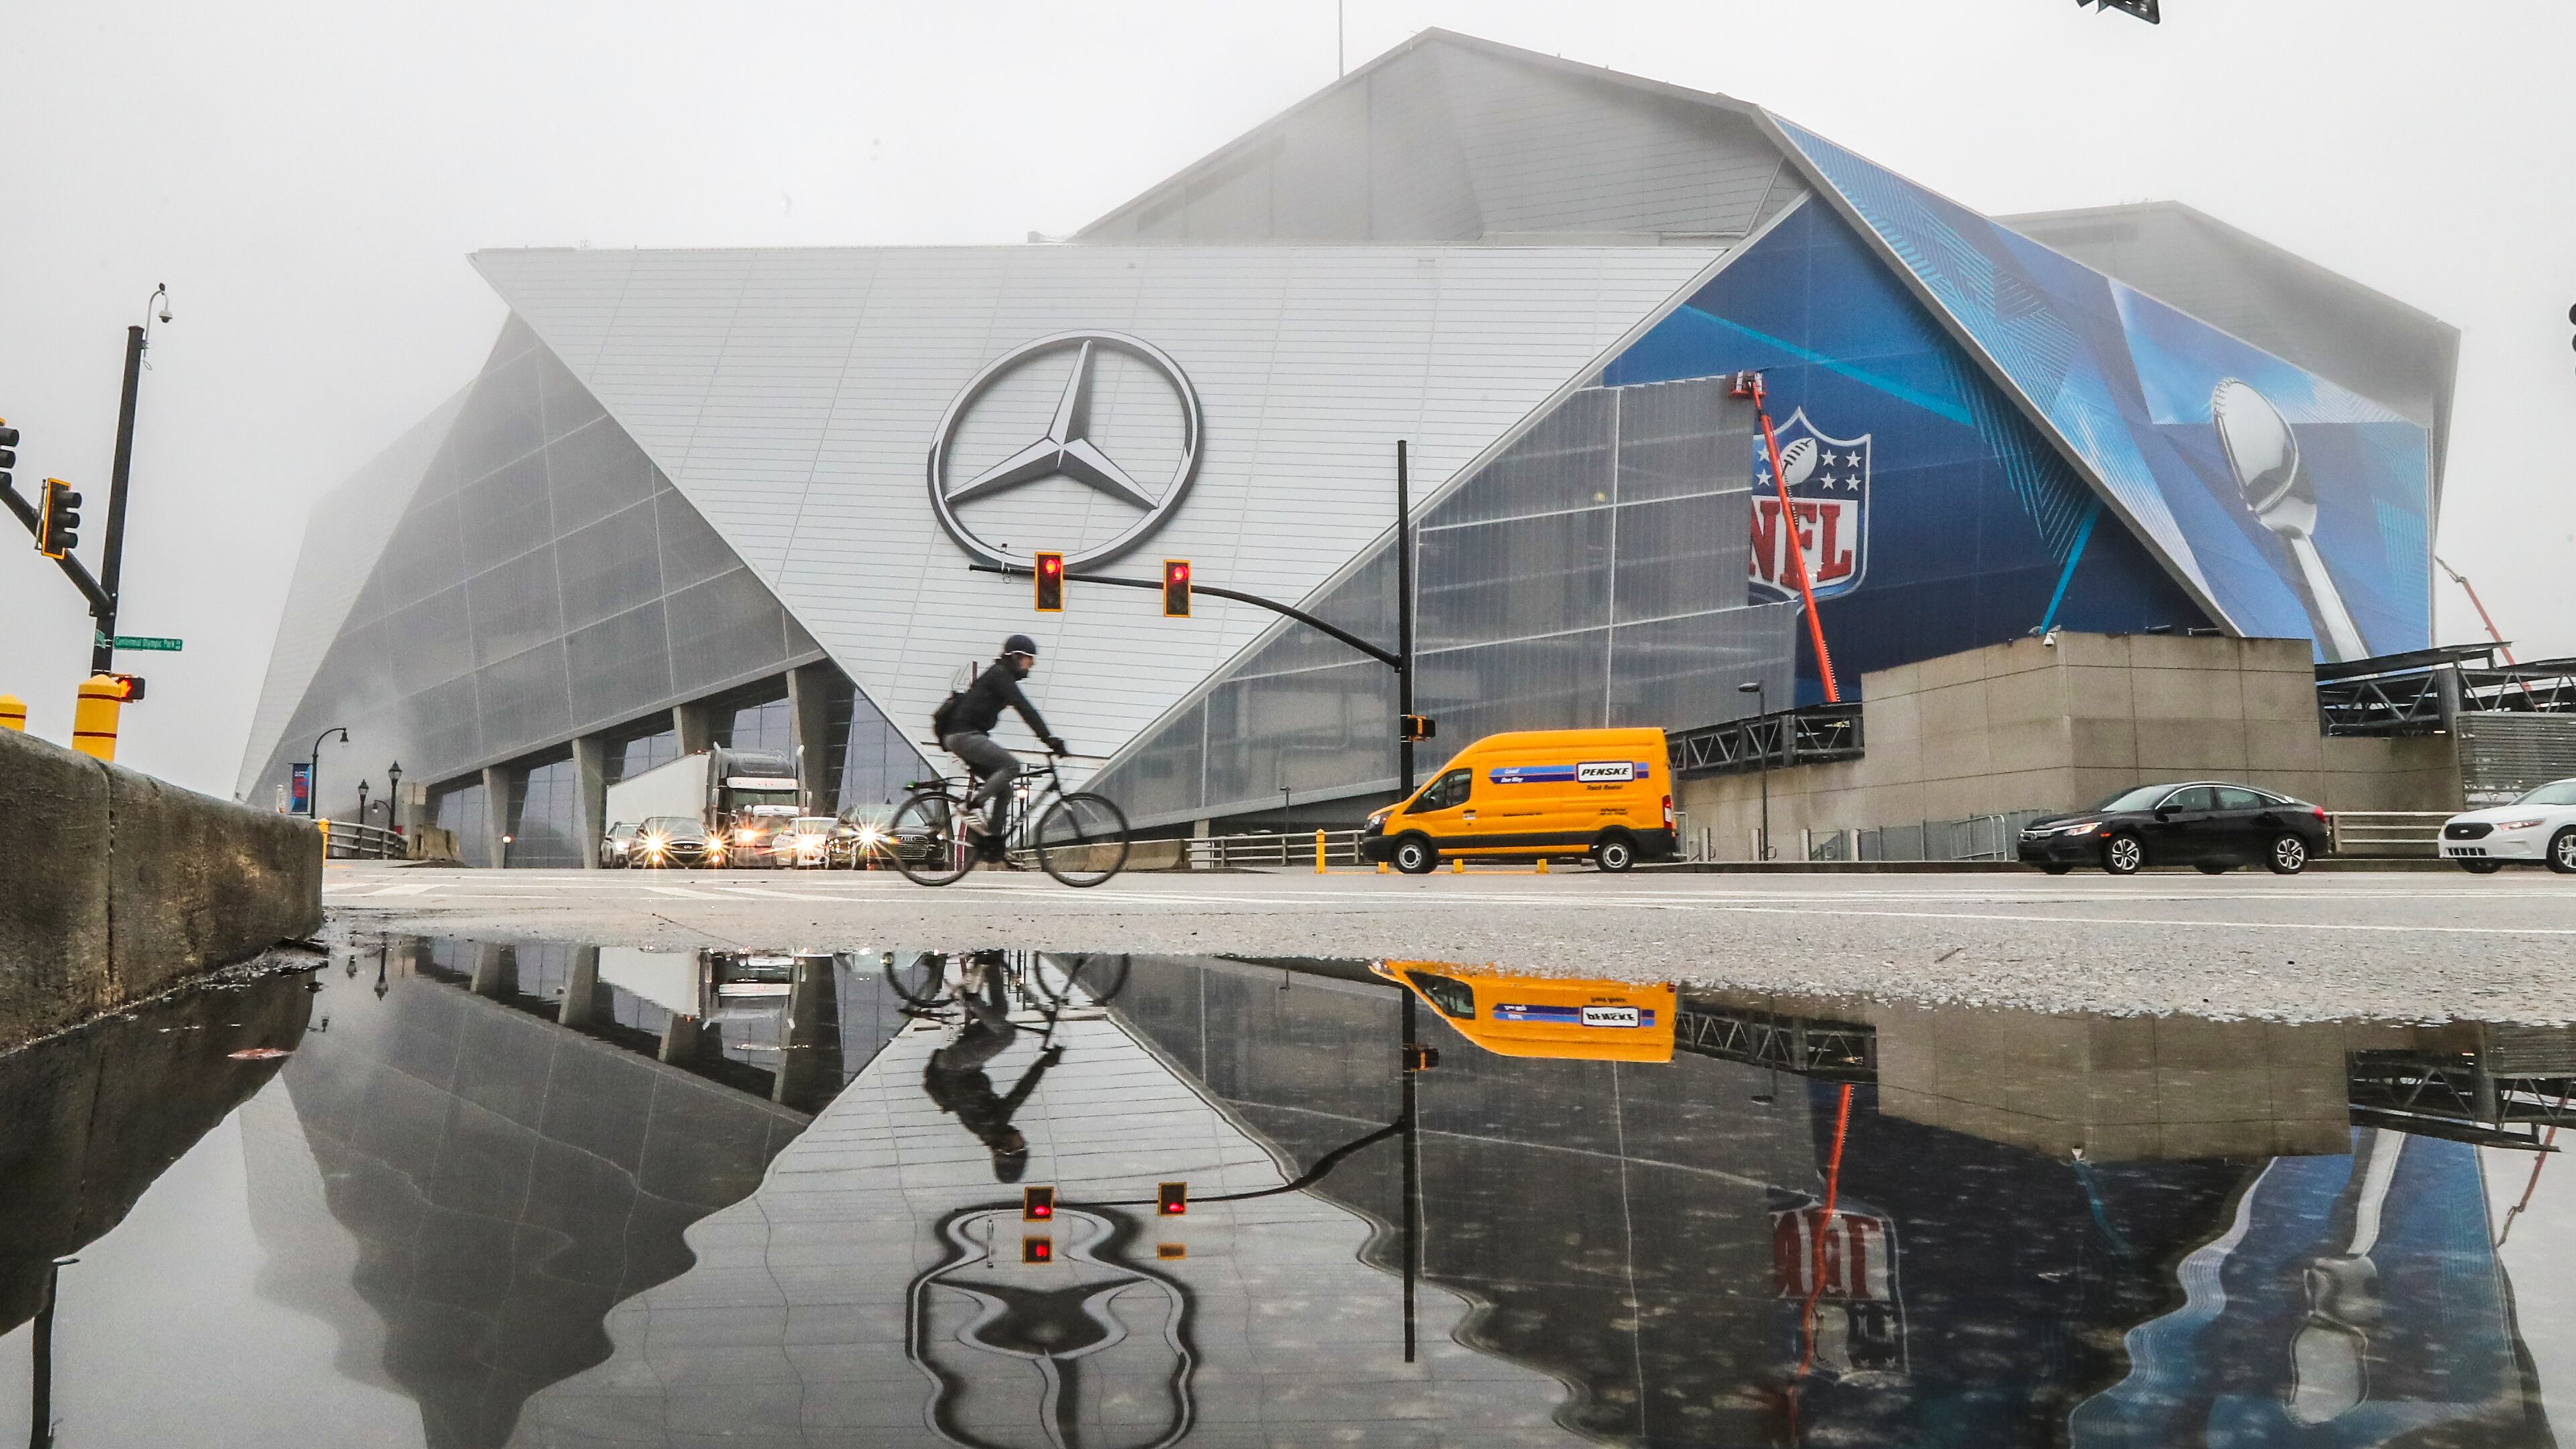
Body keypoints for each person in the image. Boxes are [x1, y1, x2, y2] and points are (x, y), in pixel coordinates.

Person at [921, 952, 1063, 1181]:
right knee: (999, 1015)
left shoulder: (992, 1125)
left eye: (1021, 1146)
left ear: (1006, 1150)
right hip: (953, 1065)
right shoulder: (985, 1129)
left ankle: (971, 998)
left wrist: (1044, 1064)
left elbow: (1020, 1092)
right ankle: (992, 963)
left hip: (956, 1066)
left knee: (1006, 1035)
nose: (1023, 1140)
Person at [938, 635, 1068, 843]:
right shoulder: (1000, 675)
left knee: (1004, 789)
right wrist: (1049, 739)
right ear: (1016, 657)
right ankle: (970, 806)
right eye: (1029, 659)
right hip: (963, 735)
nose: (1032, 664)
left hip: (962, 736)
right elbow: (1024, 708)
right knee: (1011, 767)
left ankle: (992, 842)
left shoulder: (1000, 675)